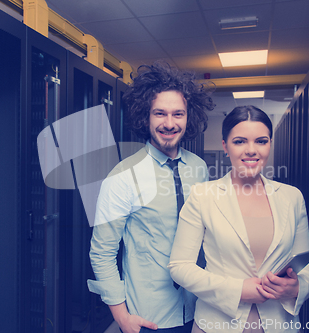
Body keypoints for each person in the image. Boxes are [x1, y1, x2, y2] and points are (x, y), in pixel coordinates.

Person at [88, 62, 215, 333]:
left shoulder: (199, 168)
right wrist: (122, 318)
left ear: (188, 117)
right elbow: (101, 253)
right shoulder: (121, 177)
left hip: (200, 310)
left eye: (178, 114)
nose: (169, 123)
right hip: (149, 319)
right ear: (145, 116)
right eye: (160, 113)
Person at [168, 106, 309, 333]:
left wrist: (297, 287)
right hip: (216, 325)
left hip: (280, 325)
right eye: (239, 141)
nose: (251, 150)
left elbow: (307, 266)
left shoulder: (292, 197)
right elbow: (180, 267)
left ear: (269, 144)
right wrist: (237, 290)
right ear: (225, 146)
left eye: (261, 141)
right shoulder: (203, 195)